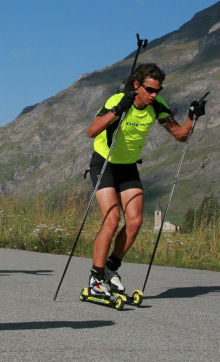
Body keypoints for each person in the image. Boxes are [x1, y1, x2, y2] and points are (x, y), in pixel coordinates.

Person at [85, 63, 204, 298]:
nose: (154, 95)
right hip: (105, 162)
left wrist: (193, 116)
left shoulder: (157, 106)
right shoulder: (116, 100)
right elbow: (92, 131)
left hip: (128, 166)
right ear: (137, 85)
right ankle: (95, 278)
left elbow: (180, 136)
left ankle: (111, 268)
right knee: (111, 219)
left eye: (157, 90)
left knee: (136, 221)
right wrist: (118, 109)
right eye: (149, 90)